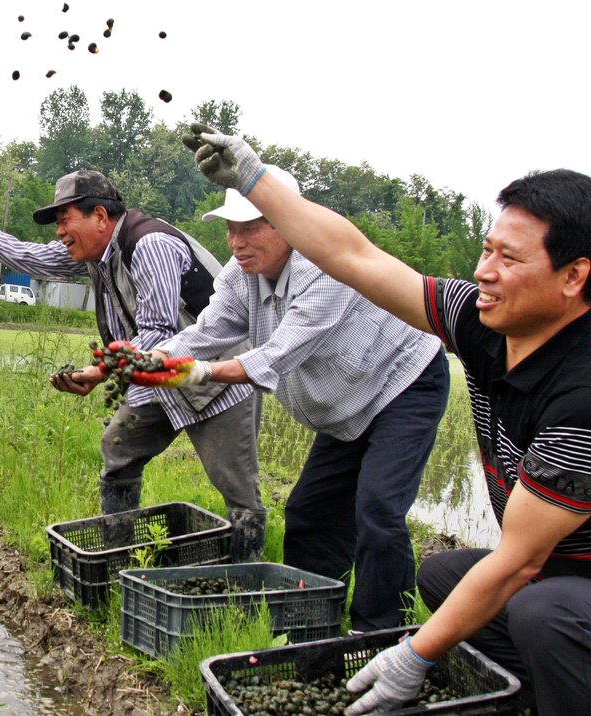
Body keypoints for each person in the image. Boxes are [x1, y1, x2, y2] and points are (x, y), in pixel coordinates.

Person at [183, 123, 591, 715]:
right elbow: (354, 255)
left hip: (563, 582)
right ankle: (526, 694)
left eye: (509, 258)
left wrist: (414, 656)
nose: (484, 272)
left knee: (535, 608)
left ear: (574, 276)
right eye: (486, 250)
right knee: (444, 577)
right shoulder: (480, 322)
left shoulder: (581, 397)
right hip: (559, 570)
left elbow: (519, 560)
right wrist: (252, 177)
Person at [143, 166, 450, 632]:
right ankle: (309, 626)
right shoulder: (239, 275)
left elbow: (278, 353)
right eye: (230, 228)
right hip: (345, 407)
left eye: (249, 228)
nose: (236, 242)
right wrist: (147, 359)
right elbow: (207, 332)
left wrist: (189, 372)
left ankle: (382, 634)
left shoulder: (325, 267)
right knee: (310, 513)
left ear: (287, 223)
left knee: (379, 511)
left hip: (401, 383)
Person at [0, 171, 267, 560]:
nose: (60, 232)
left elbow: (157, 330)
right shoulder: (94, 255)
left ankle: (245, 580)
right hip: (153, 377)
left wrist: (101, 371)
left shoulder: (149, 243)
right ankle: (120, 562)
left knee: (235, 485)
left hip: (216, 377)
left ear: (100, 216)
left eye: (65, 220)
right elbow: (29, 256)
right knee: (118, 453)